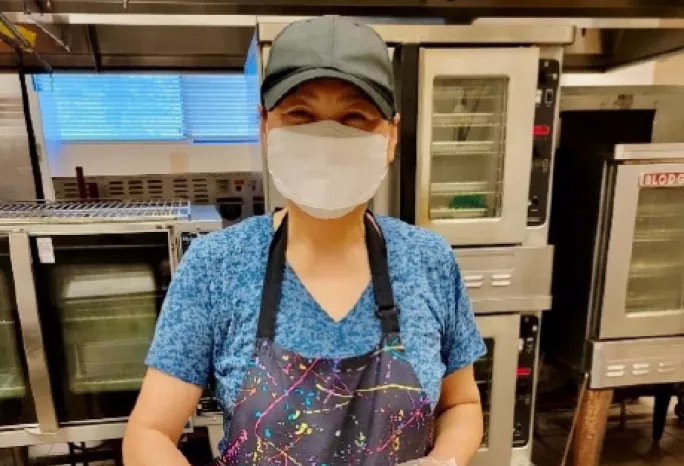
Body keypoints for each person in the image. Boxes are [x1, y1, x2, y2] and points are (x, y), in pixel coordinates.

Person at [123, 16, 486, 466]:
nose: (328, 139)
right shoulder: (216, 266)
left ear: (391, 135)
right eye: (301, 115)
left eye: (355, 117)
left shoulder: (429, 261)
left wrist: (443, 460)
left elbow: (462, 405)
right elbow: (149, 433)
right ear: (265, 127)